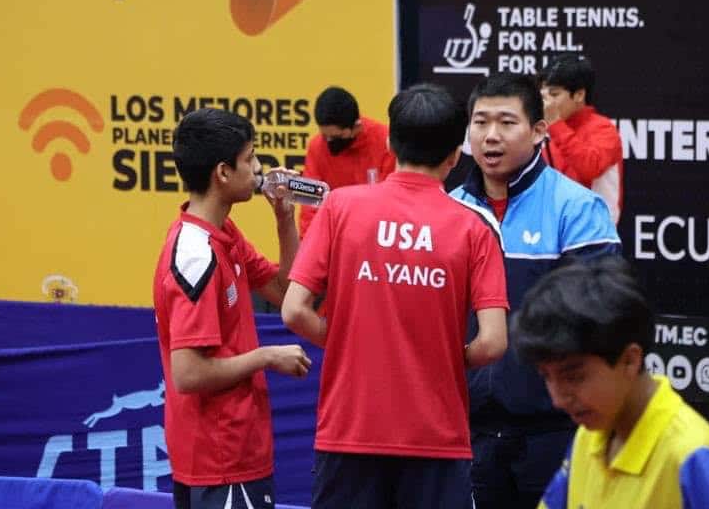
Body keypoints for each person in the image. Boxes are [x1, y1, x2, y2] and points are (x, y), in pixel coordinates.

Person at [281, 84, 510, 509]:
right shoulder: (474, 229)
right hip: (436, 439)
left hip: (349, 433)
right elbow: (494, 342)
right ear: (454, 156)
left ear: (389, 141)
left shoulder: (340, 208)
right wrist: (440, 356)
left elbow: (294, 310)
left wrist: (351, 345)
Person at [450, 72, 621, 509]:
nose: (491, 136)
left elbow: (603, 313)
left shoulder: (576, 208)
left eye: (507, 123)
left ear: (540, 130)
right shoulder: (451, 209)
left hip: (553, 432)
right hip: (470, 434)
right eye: (480, 122)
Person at [153, 108, 312, 509]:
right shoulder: (196, 256)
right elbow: (187, 373)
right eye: (251, 158)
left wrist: (284, 219)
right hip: (219, 458)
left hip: (240, 450)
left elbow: (285, 290)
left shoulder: (224, 232)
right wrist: (265, 356)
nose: (259, 170)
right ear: (223, 172)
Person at [514, 257, 709, 508]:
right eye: (546, 377)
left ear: (629, 360)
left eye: (573, 377)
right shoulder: (587, 438)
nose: (558, 399)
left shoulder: (694, 457)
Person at [298, 86, 396, 237]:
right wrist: (309, 245)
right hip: (334, 237)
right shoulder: (317, 147)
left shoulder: (385, 142)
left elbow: (389, 202)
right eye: (325, 136)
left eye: (336, 137)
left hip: (375, 237)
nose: (329, 142)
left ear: (356, 126)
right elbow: (309, 204)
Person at [539, 53, 623, 224]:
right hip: (553, 229)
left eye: (554, 95)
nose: (546, 103)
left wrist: (555, 124)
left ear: (579, 95)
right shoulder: (542, 128)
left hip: (595, 232)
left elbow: (589, 167)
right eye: (543, 95)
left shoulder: (603, 129)